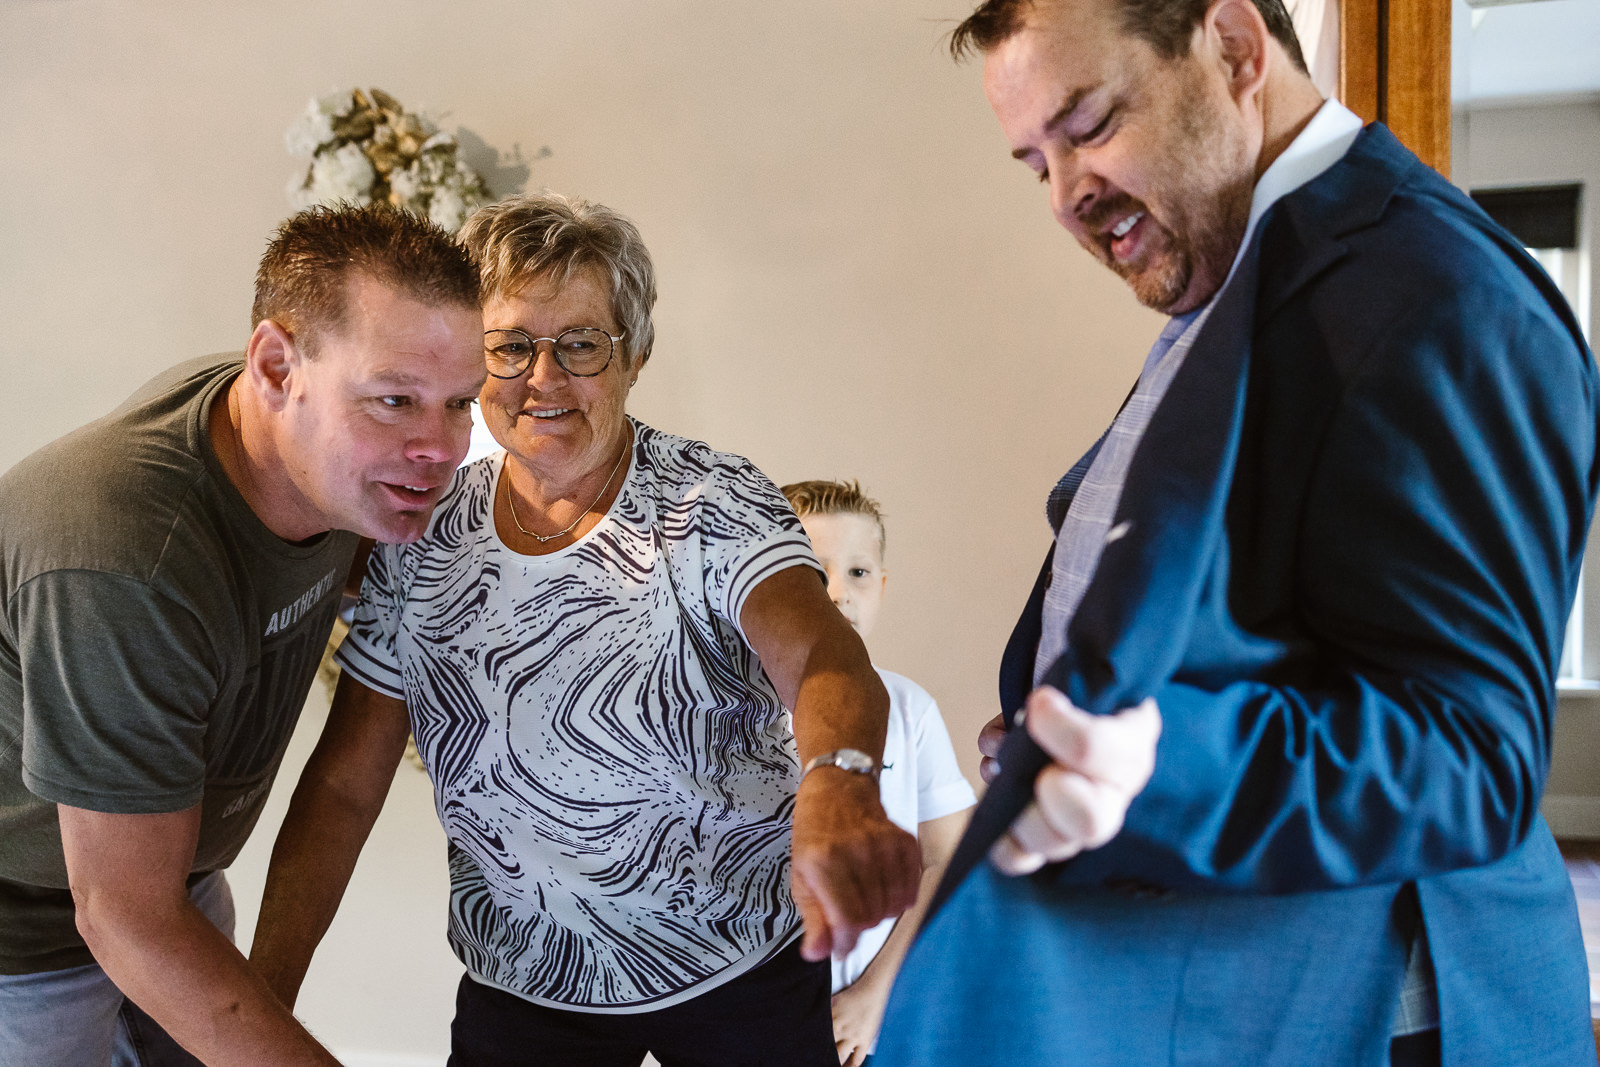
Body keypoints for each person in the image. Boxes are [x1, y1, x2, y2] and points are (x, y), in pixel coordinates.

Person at [872, 0, 1599, 1065]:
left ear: (1233, 47)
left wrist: (1146, 763)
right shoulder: (1243, 272)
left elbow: (1473, 756)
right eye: (1037, 163)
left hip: (1375, 1018)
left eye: (1090, 124)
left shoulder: (1439, 295)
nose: (1069, 195)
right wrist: (1059, 744)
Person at [248, 192, 921, 1067]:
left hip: (738, 960)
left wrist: (839, 778)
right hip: (524, 978)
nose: (544, 378)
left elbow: (823, 655)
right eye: (511, 345)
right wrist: (260, 998)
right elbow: (343, 786)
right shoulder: (422, 530)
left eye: (581, 344)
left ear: (634, 355)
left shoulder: (709, 501)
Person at [0, 203, 487, 1066]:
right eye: (396, 399)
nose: (440, 447)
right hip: (25, 939)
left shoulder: (327, 453)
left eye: (460, 403)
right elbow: (121, 912)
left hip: (175, 875)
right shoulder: (127, 559)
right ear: (273, 366)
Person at [779, 479, 976, 1067]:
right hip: (758, 1014)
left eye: (858, 573)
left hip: (876, 1017)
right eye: (817, 573)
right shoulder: (727, 713)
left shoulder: (908, 708)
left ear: (883, 587)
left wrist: (875, 995)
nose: (839, 594)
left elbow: (948, 857)